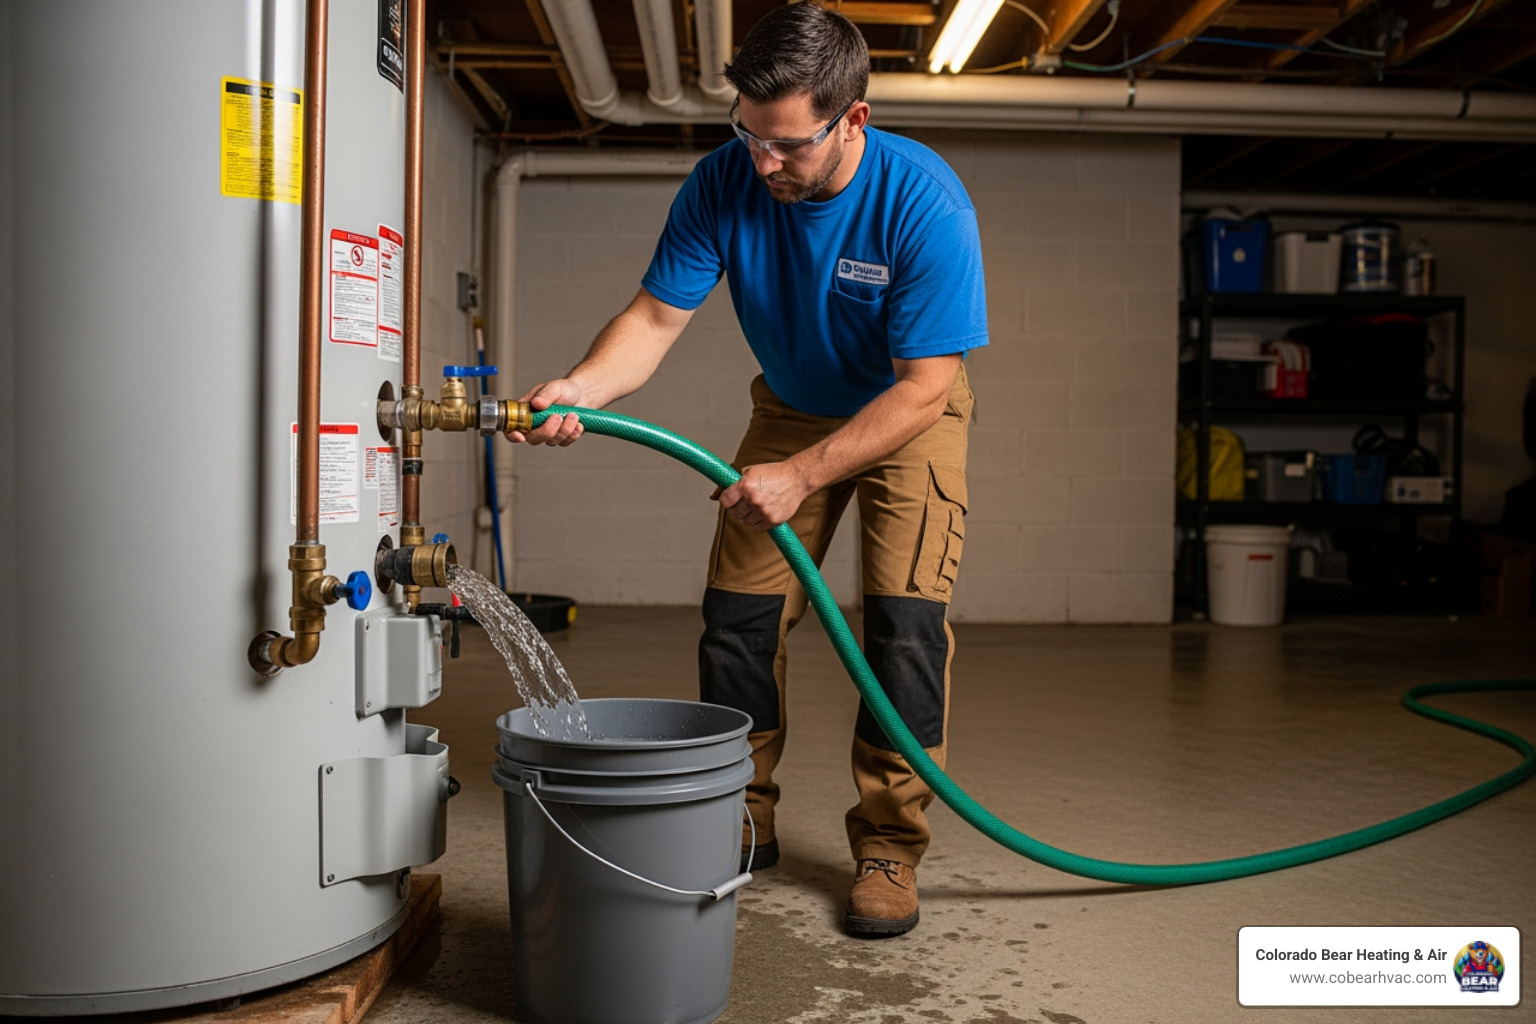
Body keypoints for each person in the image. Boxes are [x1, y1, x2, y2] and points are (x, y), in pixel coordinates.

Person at [506, 2, 987, 938]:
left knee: (905, 631)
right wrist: (581, 386)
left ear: (854, 120)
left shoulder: (925, 201)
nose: (764, 163)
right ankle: (741, 811)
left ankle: (890, 843)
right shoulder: (725, 181)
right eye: (750, 136)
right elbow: (652, 321)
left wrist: (803, 474)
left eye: (789, 145)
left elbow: (926, 388)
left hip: (907, 411)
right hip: (791, 408)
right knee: (739, 617)